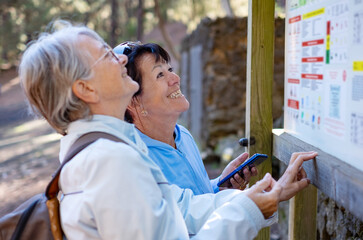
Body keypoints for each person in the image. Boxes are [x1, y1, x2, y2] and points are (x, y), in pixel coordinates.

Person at [19, 20, 303, 239]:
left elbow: (182, 210)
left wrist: (256, 195)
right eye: (106, 56)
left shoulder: (106, 152)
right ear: (85, 89)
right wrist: (252, 210)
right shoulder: (110, 161)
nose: (120, 59)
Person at [115, 42, 317, 201]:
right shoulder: (136, 159)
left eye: (170, 69)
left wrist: (219, 185)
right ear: (133, 101)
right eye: (160, 74)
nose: (175, 78)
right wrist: (272, 195)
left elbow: (195, 200)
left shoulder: (182, 135)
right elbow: (183, 216)